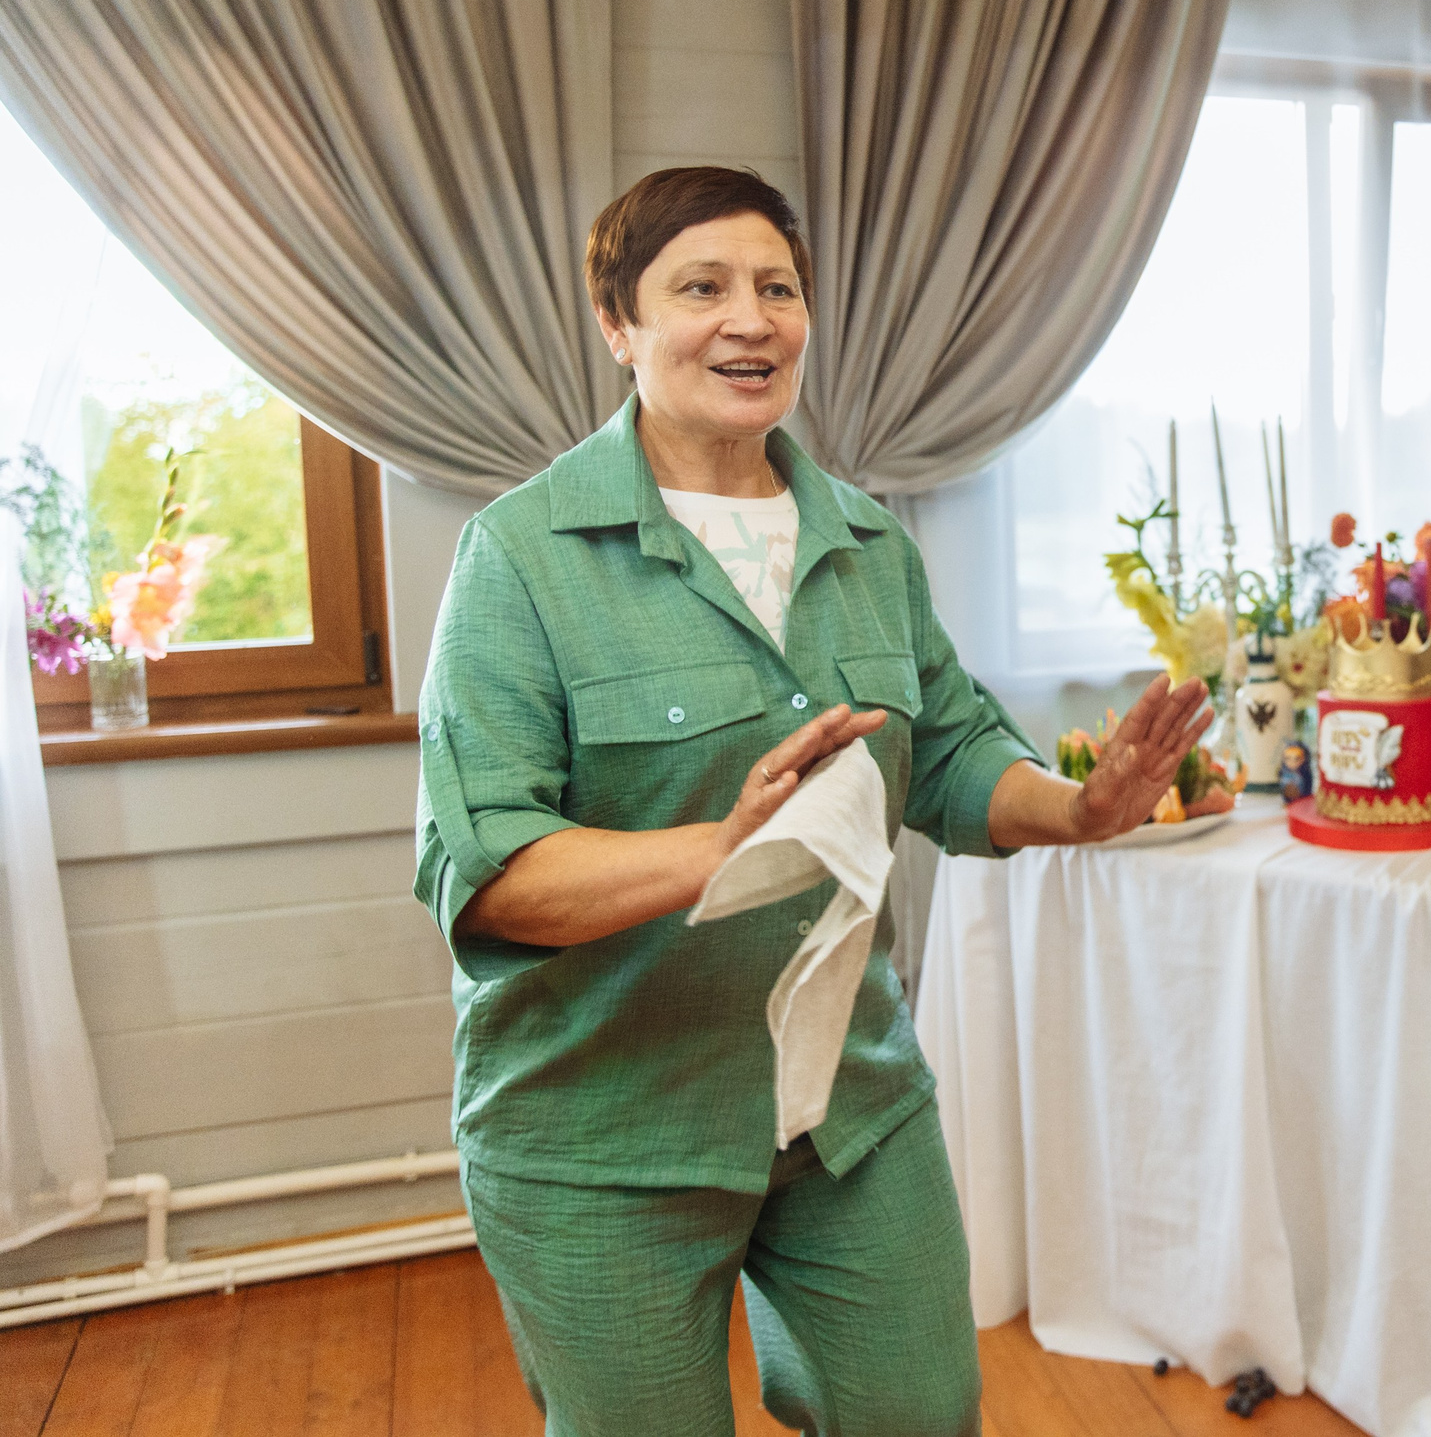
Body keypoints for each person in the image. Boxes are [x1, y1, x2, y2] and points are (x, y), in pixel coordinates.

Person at [414, 166, 1210, 1436]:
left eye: (777, 287)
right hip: (601, 1131)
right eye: (702, 287)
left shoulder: (867, 542)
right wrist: (716, 847)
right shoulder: (518, 557)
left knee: (919, 1410)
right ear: (617, 324)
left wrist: (1080, 807)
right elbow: (501, 877)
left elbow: (946, 754)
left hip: (850, 1108)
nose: (752, 318)